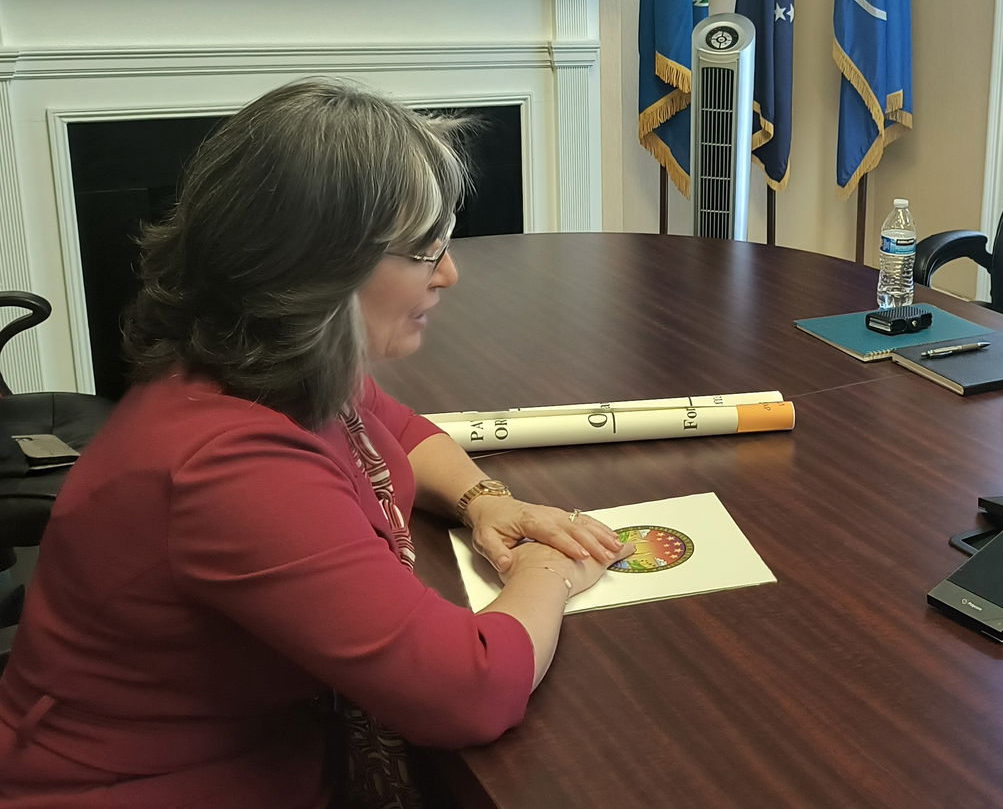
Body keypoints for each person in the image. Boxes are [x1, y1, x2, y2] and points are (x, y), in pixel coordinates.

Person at [0, 80, 629, 807]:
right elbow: (470, 690)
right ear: (320, 265)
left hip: (266, 741)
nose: (450, 274)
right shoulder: (231, 468)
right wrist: (547, 572)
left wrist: (485, 501)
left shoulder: (263, 360)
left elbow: (395, 427)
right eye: (427, 250)